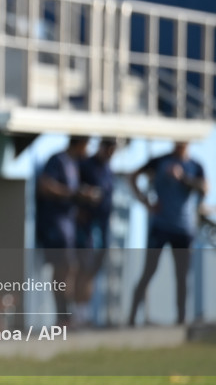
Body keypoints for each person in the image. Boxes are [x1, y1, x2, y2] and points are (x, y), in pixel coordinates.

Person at [128, 141, 208, 326]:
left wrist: (183, 178)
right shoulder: (160, 161)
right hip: (161, 226)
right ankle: (131, 317)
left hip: (184, 228)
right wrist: (145, 202)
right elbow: (133, 176)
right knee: (149, 270)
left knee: (182, 276)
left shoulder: (196, 166)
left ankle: (181, 320)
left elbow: (205, 187)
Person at [35, 135, 98, 325]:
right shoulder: (58, 160)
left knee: (70, 268)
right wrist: (74, 194)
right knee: (63, 269)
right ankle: (61, 315)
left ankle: (66, 314)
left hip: (68, 226)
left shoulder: (74, 164)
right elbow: (45, 186)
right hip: (55, 226)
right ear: (80, 143)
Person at [75, 137, 118, 326]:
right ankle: (77, 312)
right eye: (107, 147)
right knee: (83, 267)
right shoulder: (86, 165)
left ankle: (83, 311)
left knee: (93, 269)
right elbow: (75, 189)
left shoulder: (108, 170)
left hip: (103, 224)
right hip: (87, 226)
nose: (110, 152)